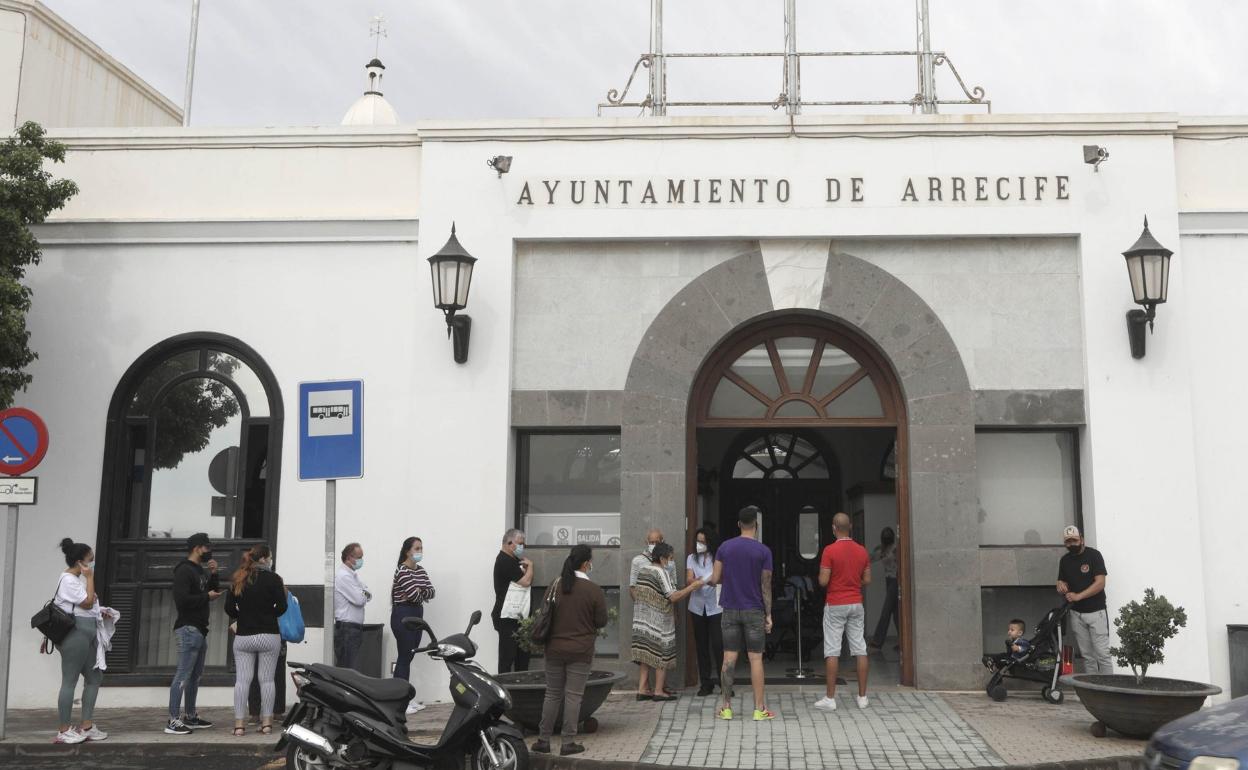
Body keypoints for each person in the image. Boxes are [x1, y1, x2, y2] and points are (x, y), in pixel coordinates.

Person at [532, 545, 608, 758]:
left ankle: (543, 740)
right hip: (581, 650)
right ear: (586, 563)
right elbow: (601, 621)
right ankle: (568, 743)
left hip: (554, 649)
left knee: (552, 694)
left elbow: (544, 613)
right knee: (574, 696)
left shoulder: (555, 585)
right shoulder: (593, 590)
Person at [708, 505, 775, 721]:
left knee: (729, 657)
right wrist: (768, 614)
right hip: (754, 609)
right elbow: (766, 585)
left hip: (729, 608)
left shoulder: (725, 548)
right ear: (756, 525)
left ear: (739, 524)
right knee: (755, 659)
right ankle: (759, 709)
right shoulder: (764, 551)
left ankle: (726, 708)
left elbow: (715, 578)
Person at [51, 538, 117, 744]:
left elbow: (88, 606)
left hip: (87, 632)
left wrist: (101, 611)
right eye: (90, 559)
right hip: (75, 633)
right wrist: (90, 577)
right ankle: (63, 730)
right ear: (80, 562)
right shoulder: (68, 580)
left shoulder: (77, 580)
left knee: (95, 677)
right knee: (69, 680)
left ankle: (86, 726)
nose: (92, 563)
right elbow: (87, 603)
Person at [224, 543, 286, 737]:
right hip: (268, 634)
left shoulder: (238, 578)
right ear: (263, 559)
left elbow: (229, 608)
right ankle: (267, 724)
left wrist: (243, 617)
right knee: (267, 680)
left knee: (242, 681)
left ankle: (239, 725)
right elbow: (282, 606)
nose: (271, 560)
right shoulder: (274, 579)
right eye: (270, 557)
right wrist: (268, 614)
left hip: (244, 636)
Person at [631, 543, 704, 701]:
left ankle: (642, 689)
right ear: (662, 558)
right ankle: (658, 691)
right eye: (670, 558)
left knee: (645, 655)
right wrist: (692, 587)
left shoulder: (643, 570)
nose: (671, 562)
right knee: (661, 655)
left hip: (641, 621)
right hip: (658, 622)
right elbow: (673, 596)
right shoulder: (661, 572)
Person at [814, 512, 872, 711]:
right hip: (856, 603)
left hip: (835, 603)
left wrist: (826, 578)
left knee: (832, 650)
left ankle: (830, 698)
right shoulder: (862, 551)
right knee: (860, 648)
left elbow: (823, 581)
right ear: (851, 527)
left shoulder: (829, 551)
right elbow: (867, 579)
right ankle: (862, 697)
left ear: (833, 528)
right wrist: (853, 582)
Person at [167, 532, 222, 735]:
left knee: (194, 677)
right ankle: (173, 720)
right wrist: (206, 596)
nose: (209, 551)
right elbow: (182, 600)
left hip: (199, 629)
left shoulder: (199, 570)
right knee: (183, 675)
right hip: (188, 628)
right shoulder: (184, 570)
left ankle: (190, 716)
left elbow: (208, 593)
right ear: (197, 548)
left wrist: (214, 574)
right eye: (207, 547)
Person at [1056, 525, 1112, 674]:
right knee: (1087, 656)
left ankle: (1108, 686)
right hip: (1076, 613)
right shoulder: (1065, 560)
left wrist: (1078, 596)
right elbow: (1061, 581)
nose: (1071, 544)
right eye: (1068, 542)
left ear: (1082, 540)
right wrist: (1060, 585)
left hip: (1096, 613)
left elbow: (1100, 583)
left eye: (1074, 540)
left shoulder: (1094, 555)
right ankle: (1092, 686)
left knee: (1103, 655)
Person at [392, 536, 436, 715]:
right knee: (404, 656)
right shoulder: (402, 570)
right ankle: (399, 700)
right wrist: (419, 592)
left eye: (421, 548)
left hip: (417, 613)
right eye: (417, 548)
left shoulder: (421, 570)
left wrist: (419, 592)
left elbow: (432, 592)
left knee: (409, 655)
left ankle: (404, 696)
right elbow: (414, 595)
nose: (420, 552)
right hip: (403, 614)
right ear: (407, 551)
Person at [687, 527, 723, 697]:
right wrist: (697, 581)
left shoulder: (718, 557)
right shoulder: (691, 558)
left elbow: (720, 578)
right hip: (697, 606)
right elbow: (689, 578)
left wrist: (706, 581)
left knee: (718, 644)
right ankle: (705, 683)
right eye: (698, 541)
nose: (699, 544)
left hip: (715, 606)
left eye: (703, 541)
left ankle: (724, 682)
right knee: (701, 645)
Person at [492, 529, 534, 674]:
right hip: (508, 617)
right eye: (520, 544)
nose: (522, 547)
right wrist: (531, 566)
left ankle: (520, 685)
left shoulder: (514, 560)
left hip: (518, 616)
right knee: (507, 657)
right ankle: (504, 686)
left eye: (523, 544)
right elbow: (526, 582)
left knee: (522, 658)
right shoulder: (505, 561)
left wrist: (526, 569)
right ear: (510, 543)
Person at [334, 542, 371, 670]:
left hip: (352, 629)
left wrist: (364, 593)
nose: (361, 560)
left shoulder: (353, 575)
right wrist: (364, 593)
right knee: (347, 670)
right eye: (359, 557)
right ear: (349, 557)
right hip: (347, 629)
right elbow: (359, 599)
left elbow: (368, 593)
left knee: (351, 669)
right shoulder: (343, 576)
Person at [868, 527, 900, 651]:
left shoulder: (895, 548)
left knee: (886, 611)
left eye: (888, 535)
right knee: (896, 613)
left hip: (895, 580)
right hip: (889, 581)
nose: (886, 537)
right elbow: (871, 558)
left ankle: (877, 641)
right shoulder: (881, 549)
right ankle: (903, 641)